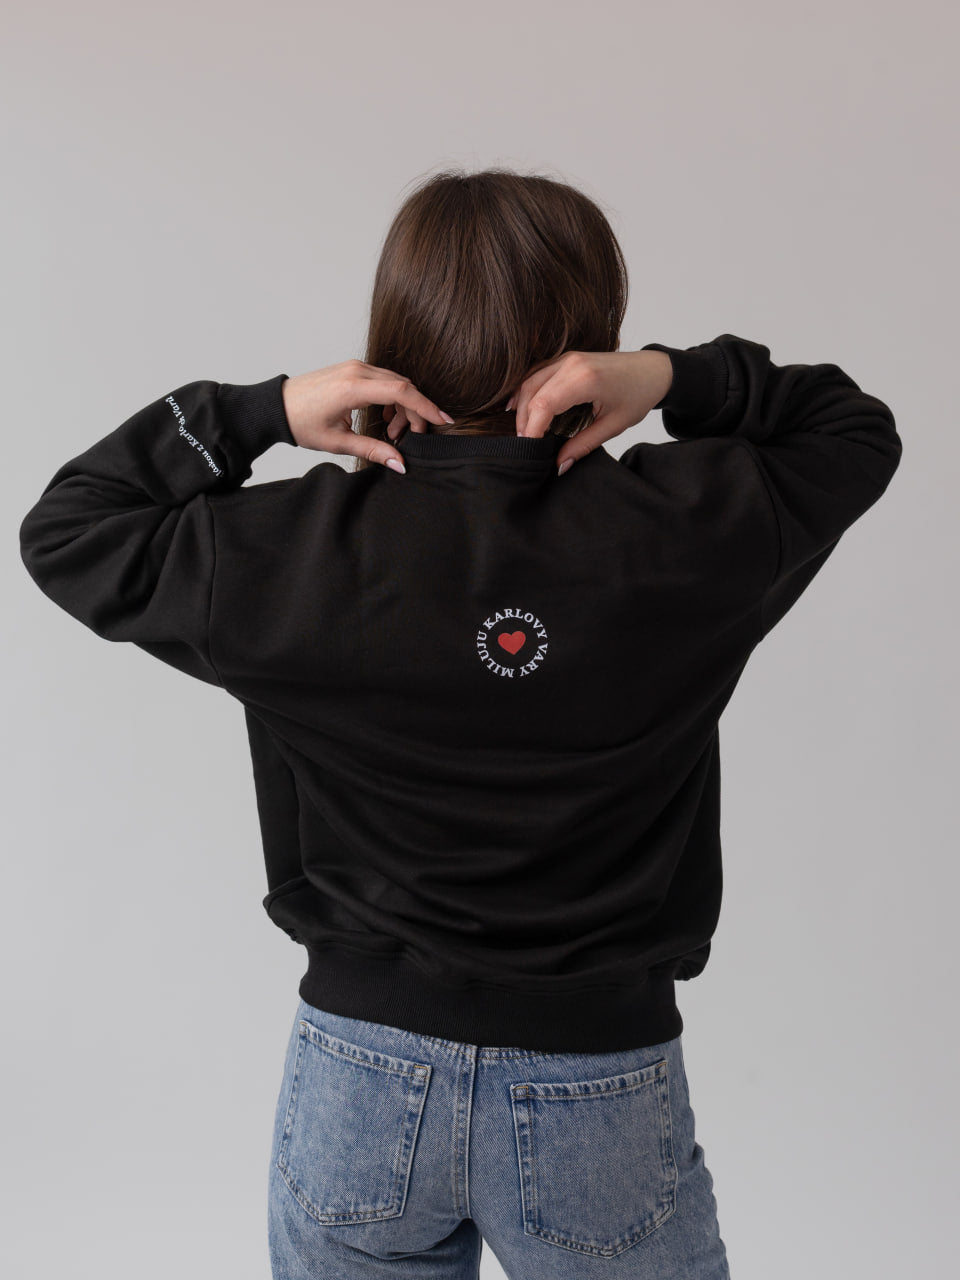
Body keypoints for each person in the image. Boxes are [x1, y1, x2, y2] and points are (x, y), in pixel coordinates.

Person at [18, 167, 902, 1279]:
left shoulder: (286, 548)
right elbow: (851, 431)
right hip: (597, 1077)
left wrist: (260, 412)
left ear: (395, 336)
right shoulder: (685, 527)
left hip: (360, 1076)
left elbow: (70, 527)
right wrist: (673, 375)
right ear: (589, 339)